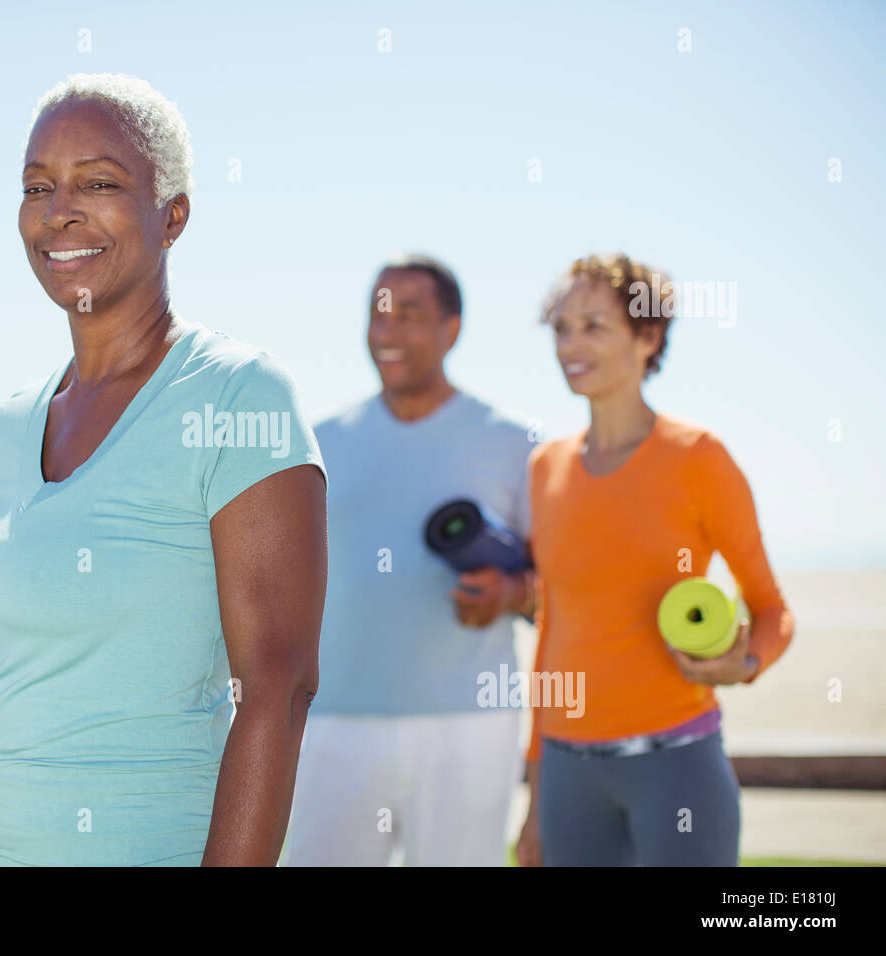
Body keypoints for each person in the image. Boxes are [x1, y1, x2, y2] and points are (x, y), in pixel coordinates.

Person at [0, 73, 328, 866]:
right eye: (37, 186)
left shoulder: (238, 393)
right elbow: (35, 669)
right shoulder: (12, 425)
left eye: (100, 183)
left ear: (172, 215)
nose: (59, 210)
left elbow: (279, 695)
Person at [514, 253, 795, 867]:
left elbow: (772, 609)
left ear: (649, 336)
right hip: (567, 776)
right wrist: (537, 793)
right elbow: (552, 630)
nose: (570, 345)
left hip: (676, 766)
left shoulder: (698, 457)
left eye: (594, 325)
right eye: (561, 328)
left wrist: (740, 664)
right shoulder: (545, 468)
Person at [284, 255, 535, 866]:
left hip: (469, 727)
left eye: (411, 315)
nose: (388, 331)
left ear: (452, 330)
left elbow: (561, 586)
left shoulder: (513, 443)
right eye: (378, 313)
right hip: (332, 724)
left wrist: (510, 595)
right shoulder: (317, 444)